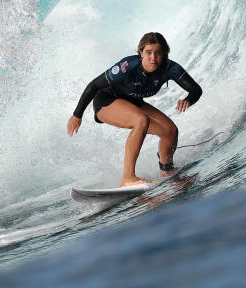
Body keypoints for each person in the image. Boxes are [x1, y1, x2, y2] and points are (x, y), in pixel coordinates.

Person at [67, 32, 202, 186]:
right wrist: (77, 115)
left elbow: (196, 89)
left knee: (170, 130)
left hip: (133, 101)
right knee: (141, 119)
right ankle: (128, 177)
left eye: (158, 53)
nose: (153, 58)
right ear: (141, 53)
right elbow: (94, 85)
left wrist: (188, 100)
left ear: (164, 53)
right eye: (148, 53)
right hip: (106, 100)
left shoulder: (170, 68)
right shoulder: (127, 66)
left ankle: (166, 170)